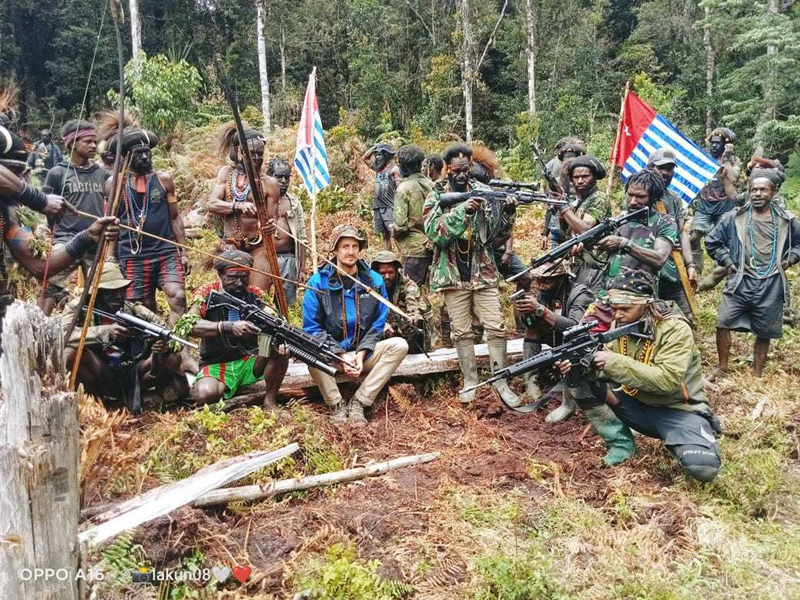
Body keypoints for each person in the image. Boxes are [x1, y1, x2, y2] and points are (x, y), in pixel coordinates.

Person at [555, 271, 722, 481]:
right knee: (581, 382)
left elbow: (667, 381)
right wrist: (580, 366)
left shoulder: (675, 329)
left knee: (702, 468)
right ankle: (622, 444)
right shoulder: (623, 323)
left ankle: (686, 436)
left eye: (625, 309)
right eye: (614, 309)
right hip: (636, 405)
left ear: (646, 304)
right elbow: (607, 367)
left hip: (678, 410)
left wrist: (610, 361)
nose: (617, 315)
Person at [0, 122, 114, 357]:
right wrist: (40, 200)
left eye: (24, 174)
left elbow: (41, 266)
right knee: (49, 294)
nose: (24, 179)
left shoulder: (9, 216)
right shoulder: (56, 174)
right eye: (16, 173)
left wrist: (87, 236)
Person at [423, 143, 520, 407]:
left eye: (467, 169)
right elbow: (434, 233)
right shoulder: (436, 195)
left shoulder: (484, 192)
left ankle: (501, 380)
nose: (462, 175)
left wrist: (508, 214)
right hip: (453, 275)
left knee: (496, 326)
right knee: (462, 331)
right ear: (447, 169)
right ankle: (471, 381)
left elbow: (496, 238)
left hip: (483, 272)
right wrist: (463, 211)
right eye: (457, 170)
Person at [302, 225, 408, 425]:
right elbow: (312, 328)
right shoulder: (318, 282)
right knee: (307, 350)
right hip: (332, 356)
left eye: (354, 246)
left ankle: (360, 401)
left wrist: (360, 355)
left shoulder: (374, 281)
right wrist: (341, 356)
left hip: (363, 354)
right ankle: (336, 404)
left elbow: (378, 324)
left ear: (360, 250)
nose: (350, 251)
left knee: (399, 346)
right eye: (345, 246)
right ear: (335, 250)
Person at [705, 171, 800, 380]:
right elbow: (712, 241)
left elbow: (799, 245)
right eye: (753, 189)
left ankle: (756, 373)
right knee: (723, 322)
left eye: (762, 189)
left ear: (772, 192)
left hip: (771, 282)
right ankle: (722, 367)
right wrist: (728, 261)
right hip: (740, 280)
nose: (757, 194)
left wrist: (790, 259)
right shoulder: (735, 217)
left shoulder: (787, 220)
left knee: (764, 330)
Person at [63, 261, 185, 414]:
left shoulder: (133, 310)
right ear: (97, 292)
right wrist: (104, 332)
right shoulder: (78, 308)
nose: (118, 296)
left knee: (173, 357)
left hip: (132, 370)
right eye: (111, 292)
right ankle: (94, 401)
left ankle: (133, 397)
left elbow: (172, 336)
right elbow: (63, 335)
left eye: (121, 290)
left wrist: (164, 346)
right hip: (99, 370)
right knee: (71, 353)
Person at [186, 250, 290, 410]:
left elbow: (274, 318)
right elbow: (189, 324)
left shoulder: (256, 294)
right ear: (220, 274)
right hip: (217, 365)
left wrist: (275, 338)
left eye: (244, 277)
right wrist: (226, 327)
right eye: (233, 277)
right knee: (204, 394)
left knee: (278, 348)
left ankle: (270, 401)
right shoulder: (206, 293)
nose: (240, 283)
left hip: (253, 361)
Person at [108, 128, 190, 325]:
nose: (145, 157)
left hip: (165, 252)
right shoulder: (115, 184)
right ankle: (157, 352)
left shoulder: (163, 180)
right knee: (144, 306)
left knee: (178, 297)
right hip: (132, 255)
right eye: (138, 153)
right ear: (127, 156)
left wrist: (184, 252)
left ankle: (181, 351)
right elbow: (110, 223)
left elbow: (175, 217)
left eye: (147, 152)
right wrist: (110, 257)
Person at [41, 119, 110, 314]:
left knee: (103, 291)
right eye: (87, 141)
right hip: (66, 240)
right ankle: (40, 333)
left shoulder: (102, 174)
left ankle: (98, 336)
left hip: (94, 242)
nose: (94, 146)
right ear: (71, 143)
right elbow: (46, 205)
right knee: (49, 285)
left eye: (95, 142)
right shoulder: (57, 173)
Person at [514, 261, 594, 422]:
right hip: (554, 337)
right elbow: (529, 325)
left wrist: (540, 310)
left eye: (548, 281)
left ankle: (570, 402)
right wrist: (525, 314)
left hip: (581, 344)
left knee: (572, 338)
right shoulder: (541, 292)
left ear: (562, 279)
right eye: (540, 280)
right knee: (532, 330)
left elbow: (574, 327)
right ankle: (531, 383)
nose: (542, 286)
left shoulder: (580, 293)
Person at [208, 122, 280, 292]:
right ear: (240, 153)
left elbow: (272, 219)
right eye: (251, 154)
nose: (256, 159)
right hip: (231, 245)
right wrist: (238, 205)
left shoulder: (269, 184)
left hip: (258, 246)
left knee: (257, 294)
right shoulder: (226, 174)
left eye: (260, 154)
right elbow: (213, 204)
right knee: (231, 294)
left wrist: (270, 226)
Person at [579, 168, 678, 286]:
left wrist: (624, 244)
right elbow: (595, 253)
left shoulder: (664, 222)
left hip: (638, 297)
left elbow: (659, 259)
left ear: (654, 197)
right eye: (630, 195)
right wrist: (584, 249)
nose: (632, 201)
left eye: (640, 196)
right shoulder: (618, 220)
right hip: (606, 295)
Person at [646, 148, 697, 318]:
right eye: (660, 168)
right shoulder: (639, 196)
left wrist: (690, 265)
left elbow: (682, 232)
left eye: (669, 169)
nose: (665, 173)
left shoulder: (674, 199)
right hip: (647, 271)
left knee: (686, 317)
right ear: (650, 169)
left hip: (673, 270)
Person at [689, 127, 740, 275]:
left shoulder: (733, 160)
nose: (714, 146)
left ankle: (720, 268)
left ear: (725, 145)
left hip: (724, 206)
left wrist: (726, 157)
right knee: (693, 237)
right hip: (704, 205)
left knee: (721, 239)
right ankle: (696, 267)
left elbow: (732, 177)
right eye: (712, 142)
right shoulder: (704, 157)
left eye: (718, 143)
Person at [558, 155, 612, 291]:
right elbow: (565, 232)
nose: (580, 181)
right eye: (576, 177)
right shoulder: (579, 200)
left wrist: (563, 208)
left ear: (594, 177)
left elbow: (584, 229)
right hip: (577, 263)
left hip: (593, 265)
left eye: (585, 176)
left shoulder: (599, 198)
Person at [371, 250, 431, 354]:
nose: (387, 277)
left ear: (396, 271)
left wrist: (411, 320)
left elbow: (413, 306)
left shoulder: (408, 285)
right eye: (383, 273)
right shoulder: (371, 286)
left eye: (391, 272)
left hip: (406, 321)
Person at [266, 157, 307, 306]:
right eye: (278, 176)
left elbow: (302, 238)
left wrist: (302, 268)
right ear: (269, 177)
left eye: (286, 177)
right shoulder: (259, 200)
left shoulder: (294, 203)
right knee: (259, 297)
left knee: (283, 303)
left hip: (287, 260)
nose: (283, 181)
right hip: (263, 258)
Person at [392, 144, 434, 287]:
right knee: (432, 293)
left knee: (411, 291)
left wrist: (395, 234)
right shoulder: (432, 184)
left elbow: (400, 224)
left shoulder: (404, 188)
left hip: (413, 249)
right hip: (434, 245)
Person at [542, 137, 586, 249]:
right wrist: (545, 234)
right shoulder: (556, 181)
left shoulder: (584, 182)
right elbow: (550, 207)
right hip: (558, 232)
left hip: (578, 232)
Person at [362, 142, 401, 250]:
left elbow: (400, 189)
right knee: (385, 235)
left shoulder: (394, 169)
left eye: (380, 154)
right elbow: (364, 158)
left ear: (387, 156)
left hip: (389, 207)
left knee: (395, 234)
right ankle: (387, 259)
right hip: (378, 206)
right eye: (376, 155)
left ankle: (404, 260)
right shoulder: (377, 168)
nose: (377, 157)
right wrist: (374, 147)